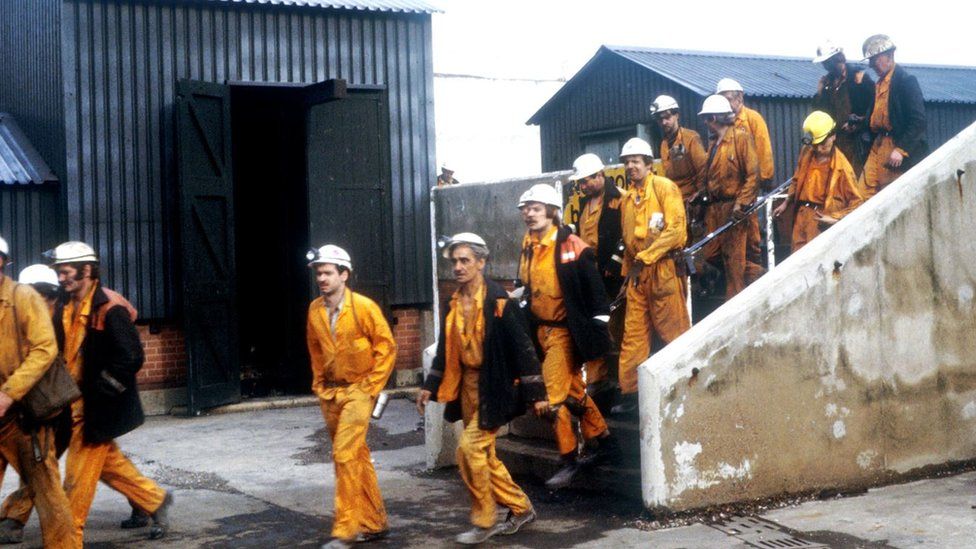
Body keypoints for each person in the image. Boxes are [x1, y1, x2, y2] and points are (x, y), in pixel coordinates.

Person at [0, 264, 150, 544]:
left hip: (74, 406)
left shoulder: (71, 313)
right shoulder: (46, 313)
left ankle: (48, 528)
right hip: (60, 406)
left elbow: (124, 355)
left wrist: (105, 387)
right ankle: (149, 503)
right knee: (55, 465)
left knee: (61, 472)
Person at [417, 233, 547, 545]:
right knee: (484, 456)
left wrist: (537, 395)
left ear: (481, 262)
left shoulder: (498, 300)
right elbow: (446, 350)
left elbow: (523, 348)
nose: (458, 267)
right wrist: (429, 387)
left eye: (465, 260)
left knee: (468, 451)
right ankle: (521, 507)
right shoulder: (453, 301)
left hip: (495, 387)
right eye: (455, 261)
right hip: (466, 388)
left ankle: (485, 518)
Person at [46, 241, 172, 545]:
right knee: (109, 466)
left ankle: (64, 541)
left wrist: (102, 391)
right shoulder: (65, 303)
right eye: (59, 273)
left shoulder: (110, 307)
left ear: (86, 270)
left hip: (95, 410)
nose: (61, 279)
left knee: (75, 487)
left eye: (65, 272)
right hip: (71, 405)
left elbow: (131, 357)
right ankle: (154, 500)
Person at [516, 183, 616, 488]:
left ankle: (569, 458)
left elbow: (596, 293)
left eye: (535, 208)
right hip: (540, 331)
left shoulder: (573, 246)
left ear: (551, 211)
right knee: (573, 394)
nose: (529, 214)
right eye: (525, 209)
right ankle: (605, 442)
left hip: (564, 334)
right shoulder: (529, 244)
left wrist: (597, 332)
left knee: (551, 396)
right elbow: (526, 284)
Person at [306, 244, 397, 549]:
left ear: (344, 275)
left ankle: (346, 530)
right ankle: (374, 521)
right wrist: (319, 383)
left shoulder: (364, 307)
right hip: (331, 393)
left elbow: (387, 347)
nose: (322, 278)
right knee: (356, 455)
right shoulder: (315, 310)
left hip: (359, 391)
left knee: (344, 454)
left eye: (328, 272)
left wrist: (371, 386)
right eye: (319, 273)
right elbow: (316, 349)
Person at [0, 236, 76, 549]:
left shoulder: (23, 297)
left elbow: (45, 348)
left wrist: (8, 394)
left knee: (47, 492)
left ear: (2, 262)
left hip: (23, 415)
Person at [613, 138, 690, 417]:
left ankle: (684, 384)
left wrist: (647, 257)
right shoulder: (628, 199)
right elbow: (628, 240)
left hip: (663, 269)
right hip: (637, 276)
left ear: (648, 163)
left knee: (673, 330)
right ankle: (631, 393)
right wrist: (628, 274)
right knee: (633, 336)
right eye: (627, 162)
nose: (631, 166)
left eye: (636, 161)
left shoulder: (664, 187)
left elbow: (676, 231)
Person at [568, 153, 624, 414]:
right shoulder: (582, 204)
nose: (583, 186)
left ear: (600, 176)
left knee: (618, 328)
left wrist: (616, 259)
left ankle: (625, 384)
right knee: (595, 328)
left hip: (613, 275)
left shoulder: (619, 199)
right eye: (580, 182)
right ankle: (598, 382)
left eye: (586, 181)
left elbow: (628, 232)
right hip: (590, 276)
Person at [698, 96, 763, 299]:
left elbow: (753, 175)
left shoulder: (740, 138)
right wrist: (700, 196)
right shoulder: (713, 144)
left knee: (734, 262)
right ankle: (760, 275)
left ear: (715, 117)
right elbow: (710, 176)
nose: (706, 123)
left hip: (733, 210)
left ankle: (734, 300)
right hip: (715, 210)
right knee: (710, 254)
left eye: (707, 119)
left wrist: (741, 204)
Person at [774, 111, 864, 251]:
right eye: (815, 144)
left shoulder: (842, 167)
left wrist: (835, 218)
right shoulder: (807, 153)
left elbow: (857, 202)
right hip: (802, 215)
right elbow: (797, 179)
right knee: (796, 261)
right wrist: (786, 202)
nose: (818, 148)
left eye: (822, 143)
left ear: (833, 136)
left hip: (821, 217)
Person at [858, 34, 928, 200]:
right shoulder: (879, 83)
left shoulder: (906, 81)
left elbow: (918, 120)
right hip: (878, 145)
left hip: (895, 145)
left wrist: (901, 149)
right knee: (861, 194)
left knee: (891, 198)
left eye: (875, 59)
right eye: (870, 60)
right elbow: (876, 116)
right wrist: (860, 123)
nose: (871, 64)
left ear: (889, 56)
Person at [717, 78, 771, 283]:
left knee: (752, 235)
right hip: (733, 188)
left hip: (750, 185)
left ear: (739, 98)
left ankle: (757, 272)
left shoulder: (752, 119)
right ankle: (752, 273)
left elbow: (764, 149)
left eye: (728, 99)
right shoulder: (723, 124)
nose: (726, 104)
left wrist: (764, 179)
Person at [811, 42, 876, 176]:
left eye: (828, 62)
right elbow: (819, 114)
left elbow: (875, 106)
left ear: (837, 59)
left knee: (857, 178)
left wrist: (860, 123)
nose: (826, 67)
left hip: (858, 142)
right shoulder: (827, 83)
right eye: (824, 63)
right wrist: (819, 93)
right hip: (836, 141)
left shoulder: (859, 78)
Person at [650, 95, 708, 203]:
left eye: (667, 117)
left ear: (677, 115)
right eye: (660, 119)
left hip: (692, 201)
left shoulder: (691, 138)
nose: (664, 122)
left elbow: (703, 170)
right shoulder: (664, 144)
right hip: (674, 201)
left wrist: (700, 194)